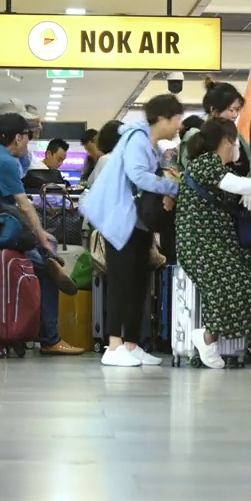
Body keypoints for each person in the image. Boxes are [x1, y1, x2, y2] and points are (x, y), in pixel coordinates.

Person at [177, 118, 251, 369]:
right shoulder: (205, 164)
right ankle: (207, 337)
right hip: (201, 245)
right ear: (228, 141)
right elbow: (234, 185)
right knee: (232, 284)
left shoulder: (216, 167)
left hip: (220, 243)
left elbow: (235, 187)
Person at [81, 95, 184, 367]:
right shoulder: (138, 140)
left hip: (137, 223)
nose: (178, 125)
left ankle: (132, 343)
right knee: (121, 282)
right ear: (162, 118)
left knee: (139, 283)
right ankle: (113, 346)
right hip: (121, 220)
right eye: (176, 119)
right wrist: (172, 187)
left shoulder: (149, 144)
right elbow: (138, 176)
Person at [0, 113, 83, 357]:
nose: (29, 142)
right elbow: (23, 204)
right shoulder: (4, 161)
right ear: (17, 138)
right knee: (47, 273)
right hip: (5, 230)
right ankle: (50, 338)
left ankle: (35, 330)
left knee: (45, 254)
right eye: (27, 137)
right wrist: (40, 234)